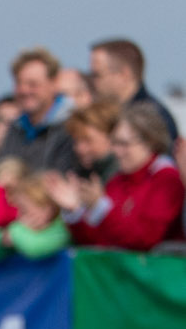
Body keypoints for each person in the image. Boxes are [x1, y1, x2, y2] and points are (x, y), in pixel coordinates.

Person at [55, 104, 184, 250]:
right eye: (115, 143)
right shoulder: (118, 181)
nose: (116, 151)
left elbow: (145, 238)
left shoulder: (166, 179)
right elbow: (98, 241)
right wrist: (75, 212)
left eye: (124, 144)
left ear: (150, 142)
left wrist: (101, 207)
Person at [1, 49, 78, 176]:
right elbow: (1, 178)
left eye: (32, 84)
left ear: (54, 83)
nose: (24, 90)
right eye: (19, 83)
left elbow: (59, 181)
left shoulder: (71, 128)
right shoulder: (15, 128)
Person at [92, 38, 178, 148]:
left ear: (124, 74)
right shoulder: (116, 113)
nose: (92, 82)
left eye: (97, 75)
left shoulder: (152, 117)